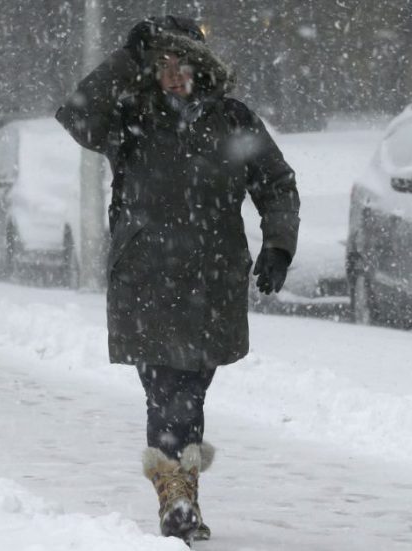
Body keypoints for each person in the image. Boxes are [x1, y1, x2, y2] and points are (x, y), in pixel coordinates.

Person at [56, 16, 300, 545]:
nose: (171, 74)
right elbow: (75, 116)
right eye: (161, 64)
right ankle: (178, 501)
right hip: (145, 277)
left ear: (200, 66)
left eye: (180, 63)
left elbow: (276, 183)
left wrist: (278, 245)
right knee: (165, 391)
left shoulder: (233, 120)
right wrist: (124, 57)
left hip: (212, 281)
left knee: (192, 390)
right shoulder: (129, 117)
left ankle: (180, 493)